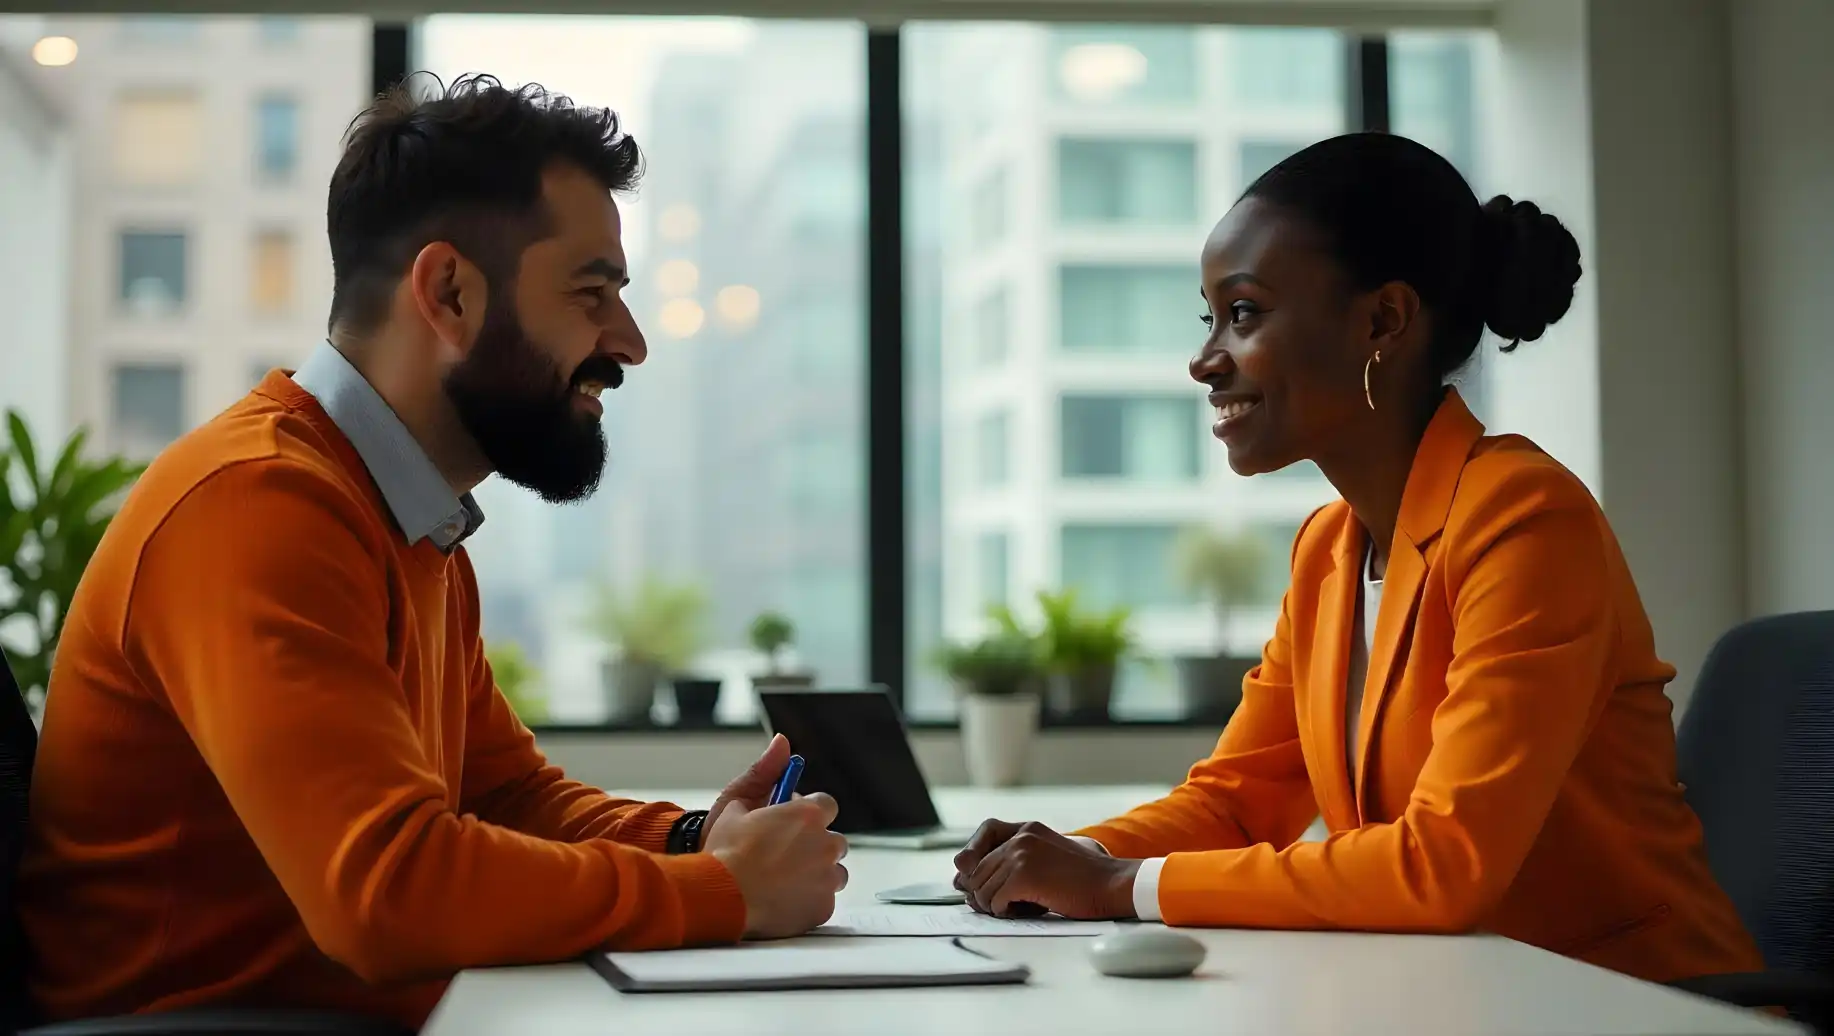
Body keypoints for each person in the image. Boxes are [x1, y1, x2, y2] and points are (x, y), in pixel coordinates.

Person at [20, 76, 847, 1029]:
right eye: (591, 294)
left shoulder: (408, 518)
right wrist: (725, 893)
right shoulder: (256, 503)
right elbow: (387, 890)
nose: (629, 343)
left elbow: (504, 796)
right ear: (449, 292)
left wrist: (696, 840)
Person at [953, 132, 1762, 985]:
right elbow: (1237, 805)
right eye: (1209, 318)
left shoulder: (1525, 519)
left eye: (1244, 313)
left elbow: (1443, 864)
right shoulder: (1327, 551)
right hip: (1458, 994)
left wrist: (1120, 885)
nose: (1204, 360)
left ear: (1383, 321)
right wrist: (1062, 857)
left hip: (1634, 1001)